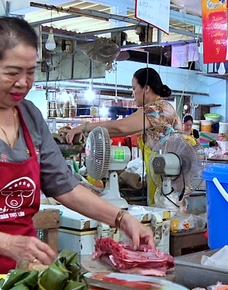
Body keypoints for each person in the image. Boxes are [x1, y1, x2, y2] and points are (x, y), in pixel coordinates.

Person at [0, 16, 154, 284]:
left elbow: (64, 186)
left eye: (31, 71)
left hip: (22, 272)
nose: (23, 82)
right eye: (12, 72)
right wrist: (5, 243)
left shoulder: (30, 115)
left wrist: (122, 219)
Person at [66, 67, 180, 204]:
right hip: (162, 175)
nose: (133, 94)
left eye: (134, 88)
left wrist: (83, 127)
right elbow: (122, 131)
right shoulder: (158, 108)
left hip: (169, 179)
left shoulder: (157, 109)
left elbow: (121, 126)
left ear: (146, 88)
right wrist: (84, 132)